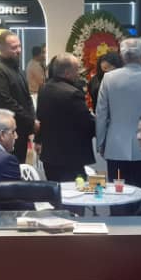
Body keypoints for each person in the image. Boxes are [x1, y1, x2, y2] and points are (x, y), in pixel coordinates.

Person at [95, 38, 141, 188]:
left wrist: (100, 143)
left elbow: (101, 114)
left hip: (116, 146)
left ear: (122, 56)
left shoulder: (109, 78)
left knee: (118, 192)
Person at [36, 52, 96, 183]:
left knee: (56, 192)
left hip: (50, 155)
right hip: (71, 157)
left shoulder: (44, 89)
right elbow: (86, 123)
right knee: (75, 192)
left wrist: (38, 140)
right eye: (77, 70)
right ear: (67, 72)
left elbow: (40, 117)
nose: (78, 73)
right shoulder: (73, 93)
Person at [0, 30, 37, 163]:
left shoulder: (18, 70)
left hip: (20, 129)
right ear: (2, 49)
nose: (19, 50)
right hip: (3, 133)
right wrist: (30, 120)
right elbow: (6, 101)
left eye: (19, 46)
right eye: (14, 47)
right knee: (6, 168)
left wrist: (32, 119)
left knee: (18, 166)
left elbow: (27, 98)